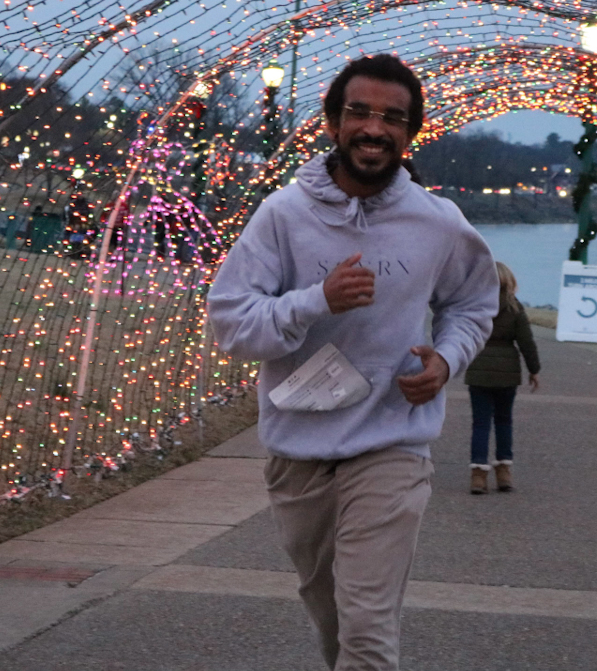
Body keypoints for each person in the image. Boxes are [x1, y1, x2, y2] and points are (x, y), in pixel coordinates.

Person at [207, 54, 499, 671]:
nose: (374, 128)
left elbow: (474, 303)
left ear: (410, 133)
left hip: (392, 444)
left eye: (392, 118)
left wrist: (446, 360)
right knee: (331, 614)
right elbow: (231, 325)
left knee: (367, 625)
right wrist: (317, 300)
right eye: (360, 112)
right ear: (333, 123)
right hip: (299, 452)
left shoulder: (437, 222)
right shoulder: (283, 215)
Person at [464, 261, 541, 494]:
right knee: (504, 421)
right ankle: (504, 471)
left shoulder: (476, 306)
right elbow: (526, 342)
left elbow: (464, 334)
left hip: (479, 369)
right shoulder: (514, 307)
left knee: (480, 423)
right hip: (507, 373)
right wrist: (534, 370)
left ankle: (478, 475)